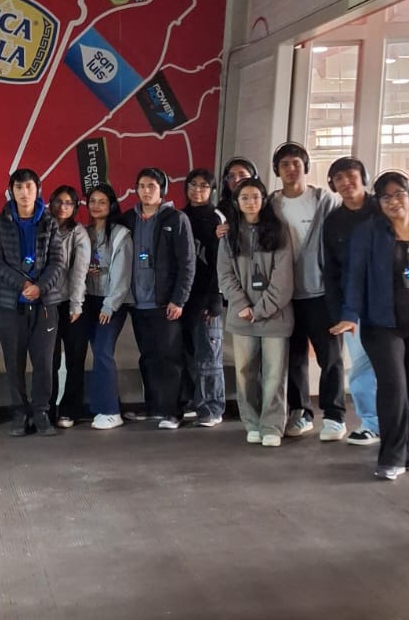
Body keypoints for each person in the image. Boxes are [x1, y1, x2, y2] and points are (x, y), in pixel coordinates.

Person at [335, 171, 409, 481]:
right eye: (386, 197)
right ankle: (390, 458)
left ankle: (407, 450)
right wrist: (349, 314)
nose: (394, 201)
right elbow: (355, 276)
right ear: (378, 202)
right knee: (393, 388)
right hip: (382, 324)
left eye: (399, 194)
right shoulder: (368, 233)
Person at [270, 142, 345, 441]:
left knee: (330, 356)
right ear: (277, 170)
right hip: (285, 294)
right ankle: (300, 412)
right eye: (284, 164)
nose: (291, 169)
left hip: (321, 292)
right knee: (294, 357)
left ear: (306, 167)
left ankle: (335, 416)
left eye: (296, 163)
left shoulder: (324, 201)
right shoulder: (271, 204)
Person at [0, 168, 65, 436]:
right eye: (18, 188)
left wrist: (40, 287)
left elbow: (57, 261)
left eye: (29, 187)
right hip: (11, 304)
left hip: (44, 305)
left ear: (38, 189)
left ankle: (41, 413)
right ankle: (19, 414)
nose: (24, 192)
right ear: (11, 191)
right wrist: (23, 285)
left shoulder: (50, 222)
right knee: (14, 363)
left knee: (44, 363)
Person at [217, 177, 295, 448]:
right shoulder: (228, 235)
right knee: (244, 372)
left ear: (264, 199)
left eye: (255, 197)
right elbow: (225, 275)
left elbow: (283, 278)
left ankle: (271, 425)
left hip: (275, 316)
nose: (250, 202)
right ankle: (251, 423)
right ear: (236, 202)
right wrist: (243, 306)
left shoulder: (279, 231)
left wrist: (260, 310)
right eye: (244, 198)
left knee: (274, 374)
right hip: (241, 317)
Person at [121, 168, 196, 430]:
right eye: (141, 186)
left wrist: (179, 299)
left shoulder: (176, 219)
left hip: (166, 302)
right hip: (138, 302)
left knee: (170, 358)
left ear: (162, 189)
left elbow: (187, 263)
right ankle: (154, 407)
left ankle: (174, 411)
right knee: (148, 356)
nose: (146, 191)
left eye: (152, 186)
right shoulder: (129, 218)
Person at [82, 182, 132, 430]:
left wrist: (109, 306)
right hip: (88, 301)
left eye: (102, 202)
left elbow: (122, 275)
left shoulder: (121, 234)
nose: (96, 206)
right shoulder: (84, 232)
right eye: (92, 201)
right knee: (99, 353)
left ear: (111, 205)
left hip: (110, 302)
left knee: (103, 352)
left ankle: (110, 411)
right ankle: (109, 403)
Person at [180, 168, 226, 427]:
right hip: (184, 299)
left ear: (212, 190)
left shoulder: (217, 218)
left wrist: (215, 298)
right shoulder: (180, 216)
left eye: (204, 186)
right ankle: (192, 402)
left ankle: (212, 408)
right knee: (187, 354)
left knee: (209, 356)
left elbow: (222, 262)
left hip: (207, 297)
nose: (197, 190)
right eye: (193, 185)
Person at [47, 185, 91, 428]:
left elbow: (79, 273)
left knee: (74, 359)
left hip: (73, 306)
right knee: (49, 361)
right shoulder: (43, 228)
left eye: (68, 203)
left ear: (75, 207)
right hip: (48, 304)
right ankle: (47, 409)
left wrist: (76, 304)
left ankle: (69, 410)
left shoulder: (78, 233)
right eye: (58, 202)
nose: (62, 207)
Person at [216, 157, 258, 231]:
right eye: (231, 176)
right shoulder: (221, 210)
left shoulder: (264, 207)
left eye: (242, 175)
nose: (236, 180)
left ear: (253, 178)